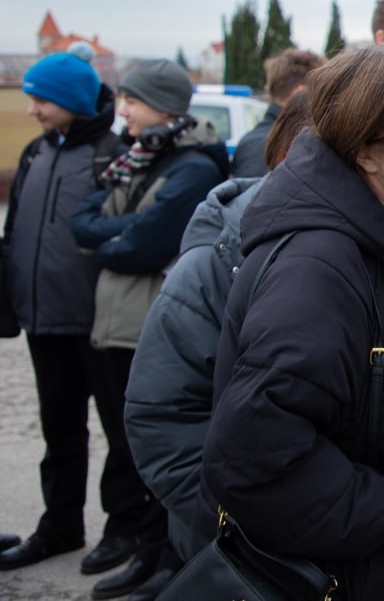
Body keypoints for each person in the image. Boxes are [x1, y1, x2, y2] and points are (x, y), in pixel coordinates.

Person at [203, 47, 384, 600]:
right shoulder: (318, 268)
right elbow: (250, 453)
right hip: (344, 573)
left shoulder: (369, 233)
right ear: (364, 152)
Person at [120, 91, 312, 600]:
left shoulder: (379, 246)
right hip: (239, 548)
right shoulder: (213, 265)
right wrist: (234, 521)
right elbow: (160, 417)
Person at [69, 59, 230, 599]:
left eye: (133, 101)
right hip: (111, 323)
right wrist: (113, 236)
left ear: (164, 106)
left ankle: (165, 560)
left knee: (157, 455)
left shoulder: (190, 169)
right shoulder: (136, 159)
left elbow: (145, 243)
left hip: (146, 327)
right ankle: (138, 548)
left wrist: (109, 241)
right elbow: (83, 219)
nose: (124, 112)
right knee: (122, 444)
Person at [0, 53, 146, 580]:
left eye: (41, 98)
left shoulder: (113, 155)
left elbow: (131, 233)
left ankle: (123, 528)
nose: (32, 108)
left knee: (120, 433)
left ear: (73, 100)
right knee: (60, 433)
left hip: (99, 323)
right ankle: (59, 524)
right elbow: (15, 232)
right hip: (45, 322)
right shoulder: (36, 152)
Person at [229, 47, 323, 177]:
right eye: (321, 93)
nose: (325, 102)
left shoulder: (258, 140)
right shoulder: (269, 145)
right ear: (300, 93)